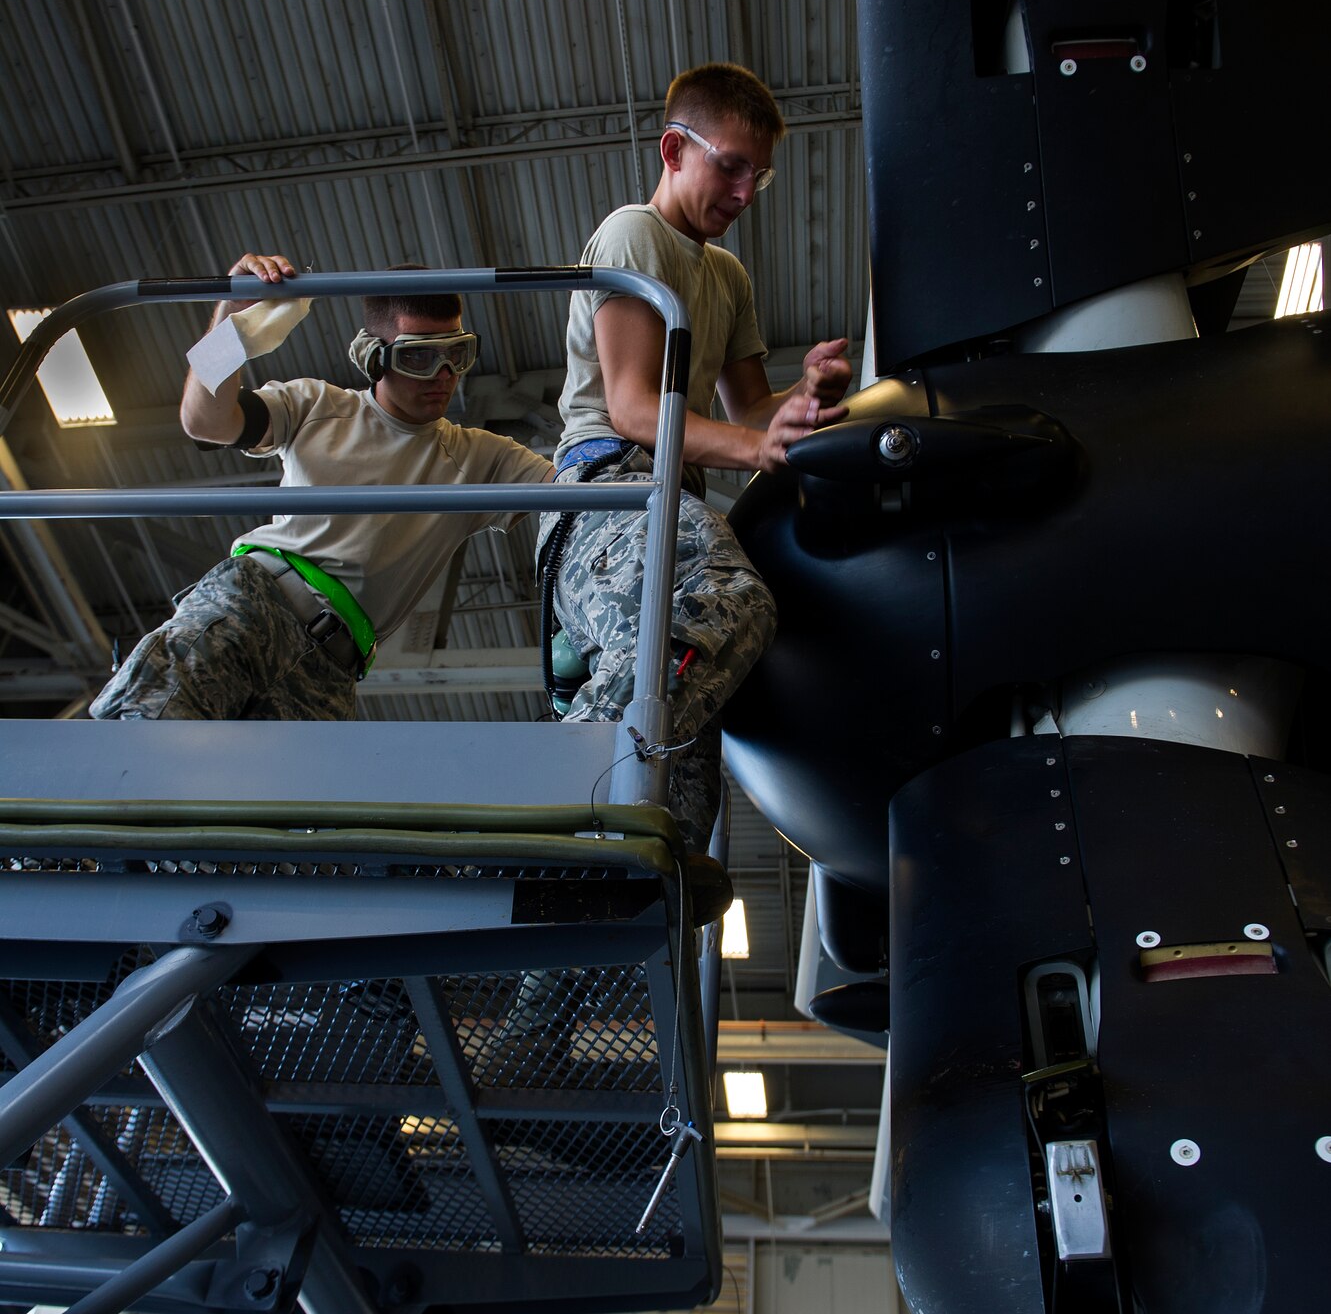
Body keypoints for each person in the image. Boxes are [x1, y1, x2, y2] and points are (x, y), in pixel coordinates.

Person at [541, 63, 851, 848]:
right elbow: (634, 407)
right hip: (606, 494)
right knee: (730, 600)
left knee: (683, 791)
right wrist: (758, 444)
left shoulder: (726, 275)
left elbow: (750, 413)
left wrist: (804, 400)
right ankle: (554, 797)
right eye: (731, 165)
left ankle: (618, 904)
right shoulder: (632, 233)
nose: (745, 192)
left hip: (666, 499)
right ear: (674, 149)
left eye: (760, 175)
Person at [89, 251, 554, 721]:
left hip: (332, 671)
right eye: (418, 356)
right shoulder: (315, 405)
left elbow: (576, 489)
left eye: (457, 354)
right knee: (145, 731)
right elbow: (204, 421)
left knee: (269, 796)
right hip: (254, 606)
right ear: (371, 355)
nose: (443, 375)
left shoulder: (482, 459)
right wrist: (231, 320)